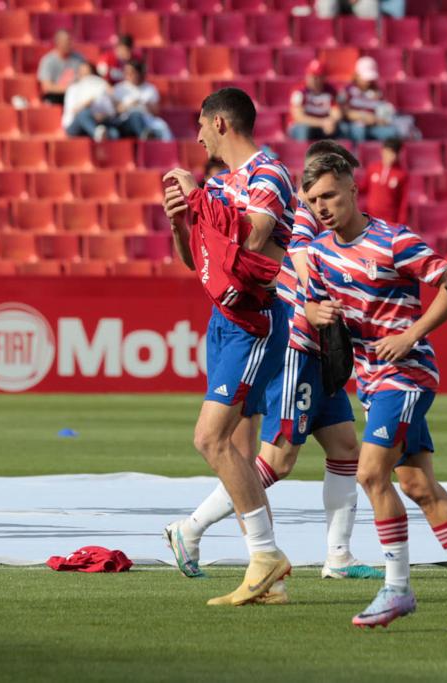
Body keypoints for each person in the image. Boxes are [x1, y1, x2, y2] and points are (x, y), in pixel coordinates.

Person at [163, 141, 383, 595]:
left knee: (344, 448)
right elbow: (281, 265)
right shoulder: (302, 219)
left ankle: (338, 557)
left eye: (334, 193)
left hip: (320, 351)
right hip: (295, 349)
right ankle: (191, 528)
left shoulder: (335, 222)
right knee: (276, 461)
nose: (325, 202)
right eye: (321, 192)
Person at [302, 153, 447, 630]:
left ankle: (397, 588)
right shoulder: (321, 251)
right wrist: (313, 314)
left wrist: (410, 335)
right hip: (372, 379)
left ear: (354, 189)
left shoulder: (394, 241)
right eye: (312, 201)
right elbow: (310, 304)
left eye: (329, 195)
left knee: (371, 474)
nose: (322, 207)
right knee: (416, 484)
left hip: (408, 372)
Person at [161, 87, 296, 607]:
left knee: (209, 439)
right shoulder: (221, 184)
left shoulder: (268, 175)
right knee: (238, 450)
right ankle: (270, 580)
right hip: (223, 317)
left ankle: (265, 555)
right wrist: (182, 221)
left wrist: (200, 199)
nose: (195, 135)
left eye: (200, 124)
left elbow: (256, 239)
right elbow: (198, 263)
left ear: (221, 123)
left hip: (253, 322)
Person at [338, 57, 399, 143]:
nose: (369, 81)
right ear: (357, 75)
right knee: (358, 131)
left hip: (374, 126)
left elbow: (385, 113)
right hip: (354, 126)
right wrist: (365, 117)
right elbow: (344, 112)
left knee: (391, 132)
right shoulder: (347, 90)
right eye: (366, 78)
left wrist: (379, 119)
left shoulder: (379, 92)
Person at [112, 60, 173, 141]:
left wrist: (143, 104)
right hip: (125, 122)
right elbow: (115, 111)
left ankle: (164, 149)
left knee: (162, 127)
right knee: (135, 114)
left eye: (132, 73)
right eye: (126, 72)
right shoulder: (119, 88)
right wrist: (130, 105)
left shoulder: (150, 89)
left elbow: (156, 112)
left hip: (146, 120)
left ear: (139, 73)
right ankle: (145, 137)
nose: (128, 75)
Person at [288, 60, 342, 142]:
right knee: (304, 129)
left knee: (342, 128)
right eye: (312, 76)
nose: (314, 79)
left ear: (323, 77)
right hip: (302, 127)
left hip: (324, 126)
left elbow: (337, 113)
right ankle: (302, 152)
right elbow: (298, 117)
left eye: (317, 76)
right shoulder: (299, 91)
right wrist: (323, 122)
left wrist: (331, 121)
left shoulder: (331, 91)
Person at [62, 63, 117, 141]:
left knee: (114, 133)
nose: (84, 76)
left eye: (87, 73)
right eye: (82, 72)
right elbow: (73, 111)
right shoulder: (73, 89)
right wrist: (87, 104)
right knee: (84, 113)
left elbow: (110, 112)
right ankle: (96, 134)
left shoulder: (101, 89)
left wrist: (102, 116)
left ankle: (98, 135)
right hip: (75, 125)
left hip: (97, 123)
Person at [359, 137, 408, 225]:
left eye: (393, 153)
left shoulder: (402, 174)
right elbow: (363, 187)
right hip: (371, 218)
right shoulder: (373, 168)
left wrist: (401, 223)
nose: (390, 157)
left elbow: (403, 201)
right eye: (388, 152)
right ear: (382, 151)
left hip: (390, 220)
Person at [37, 29, 86, 105]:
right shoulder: (48, 61)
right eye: (66, 41)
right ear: (58, 43)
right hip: (56, 96)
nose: (70, 44)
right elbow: (47, 87)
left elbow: (86, 78)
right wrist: (69, 89)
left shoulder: (79, 59)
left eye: (70, 41)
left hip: (76, 95)